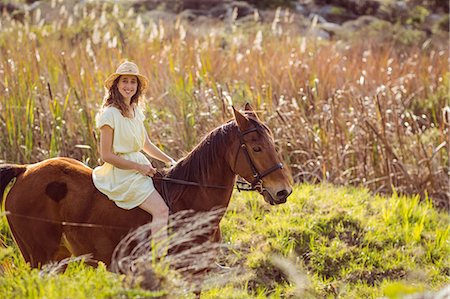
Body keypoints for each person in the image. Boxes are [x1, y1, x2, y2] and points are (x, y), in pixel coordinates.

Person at [92, 61, 175, 244]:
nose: (128, 86)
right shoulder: (109, 115)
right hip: (122, 172)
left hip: (140, 167)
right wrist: (138, 167)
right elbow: (106, 155)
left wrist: (171, 161)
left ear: (137, 87)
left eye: (133, 82)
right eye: (124, 81)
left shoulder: (136, 111)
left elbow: (146, 144)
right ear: (116, 85)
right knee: (161, 210)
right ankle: (159, 261)